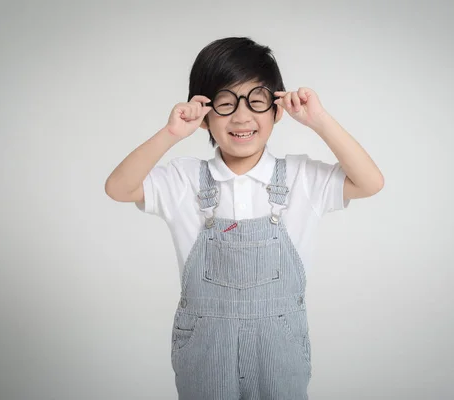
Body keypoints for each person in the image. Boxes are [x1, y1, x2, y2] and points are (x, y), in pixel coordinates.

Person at [105, 36, 384, 400]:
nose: (241, 117)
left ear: (276, 109)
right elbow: (119, 188)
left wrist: (319, 120)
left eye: (256, 101)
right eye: (224, 103)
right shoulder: (184, 180)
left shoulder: (301, 178)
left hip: (279, 352)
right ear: (204, 115)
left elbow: (370, 182)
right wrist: (171, 133)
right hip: (205, 353)